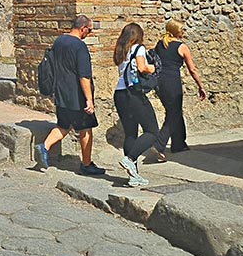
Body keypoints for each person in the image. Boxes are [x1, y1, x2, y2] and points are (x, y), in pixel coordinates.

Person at [35, 15, 107, 176]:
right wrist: (89, 99)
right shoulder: (79, 47)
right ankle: (87, 164)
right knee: (86, 129)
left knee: (63, 125)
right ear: (83, 28)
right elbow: (84, 76)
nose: (89, 33)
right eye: (89, 30)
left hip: (61, 93)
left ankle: (44, 147)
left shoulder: (59, 41)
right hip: (77, 96)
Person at [113, 22, 162, 187]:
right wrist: (152, 68)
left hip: (120, 94)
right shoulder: (138, 48)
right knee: (152, 131)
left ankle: (133, 175)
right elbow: (142, 68)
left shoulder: (121, 50)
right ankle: (130, 159)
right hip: (133, 94)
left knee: (130, 134)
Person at [154, 19, 206, 154]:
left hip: (159, 82)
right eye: (182, 29)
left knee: (175, 111)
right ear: (177, 31)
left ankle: (179, 143)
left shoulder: (160, 44)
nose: (184, 32)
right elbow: (192, 69)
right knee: (174, 113)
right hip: (172, 82)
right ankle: (159, 145)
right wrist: (200, 86)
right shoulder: (182, 47)